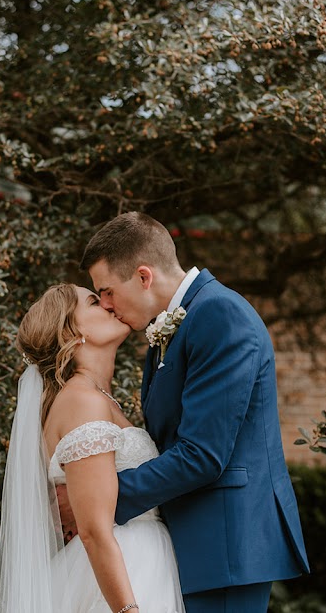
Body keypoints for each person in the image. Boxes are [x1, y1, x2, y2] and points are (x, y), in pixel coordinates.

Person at [72, 211, 310, 613]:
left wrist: (96, 501)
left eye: (108, 291)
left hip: (226, 545)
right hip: (197, 541)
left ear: (144, 276)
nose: (107, 305)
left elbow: (203, 454)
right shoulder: (172, 327)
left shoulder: (220, 315)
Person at [0, 283, 185, 613]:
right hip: (120, 577)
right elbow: (94, 530)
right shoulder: (82, 400)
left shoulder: (100, 399)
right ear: (72, 332)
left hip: (144, 563)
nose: (110, 305)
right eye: (95, 302)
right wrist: (127, 610)